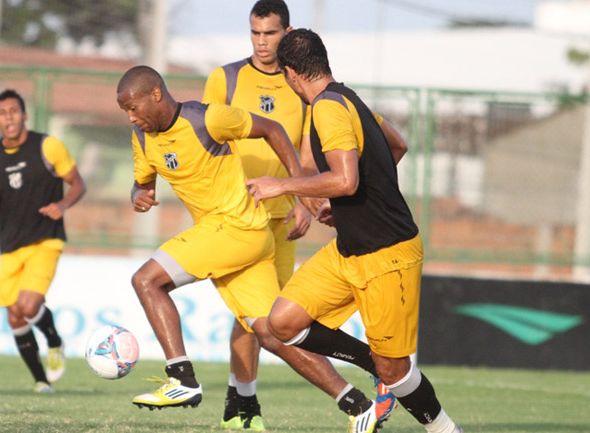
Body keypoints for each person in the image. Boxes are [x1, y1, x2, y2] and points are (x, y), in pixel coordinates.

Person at [118, 65, 394, 433]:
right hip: (239, 239)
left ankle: (181, 378)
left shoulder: (208, 119)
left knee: (147, 281)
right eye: (126, 112)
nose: (131, 117)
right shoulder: (142, 138)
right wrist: (140, 195)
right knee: (272, 332)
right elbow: (142, 183)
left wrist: (296, 186)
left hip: (235, 228)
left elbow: (273, 129)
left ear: (155, 94)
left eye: (133, 107)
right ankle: (358, 406)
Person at [246, 29, 463, 433]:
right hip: (348, 251)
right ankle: (371, 366)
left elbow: (345, 179)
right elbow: (396, 146)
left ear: (292, 74)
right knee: (283, 322)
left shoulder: (328, 109)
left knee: (396, 371)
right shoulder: (349, 98)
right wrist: (346, 204)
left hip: (387, 254)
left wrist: (284, 185)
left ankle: (446, 430)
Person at [203, 1, 399, 430]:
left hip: (283, 218)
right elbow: (208, 139)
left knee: (266, 316)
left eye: (269, 33)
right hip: (239, 216)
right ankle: (245, 407)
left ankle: (244, 408)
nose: (260, 42)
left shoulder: (308, 92)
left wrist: (303, 203)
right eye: (254, 33)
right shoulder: (226, 78)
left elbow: (310, 156)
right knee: (256, 317)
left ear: (286, 34)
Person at [0, 89, 87, 393]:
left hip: (45, 238)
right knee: (14, 316)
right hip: (10, 244)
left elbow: (78, 182)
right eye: (2, 113)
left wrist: (62, 205)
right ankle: (41, 381)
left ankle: (53, 340)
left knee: (28, 305)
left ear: (24, 115)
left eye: (14, 111)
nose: (9, 117)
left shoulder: (47, 146)